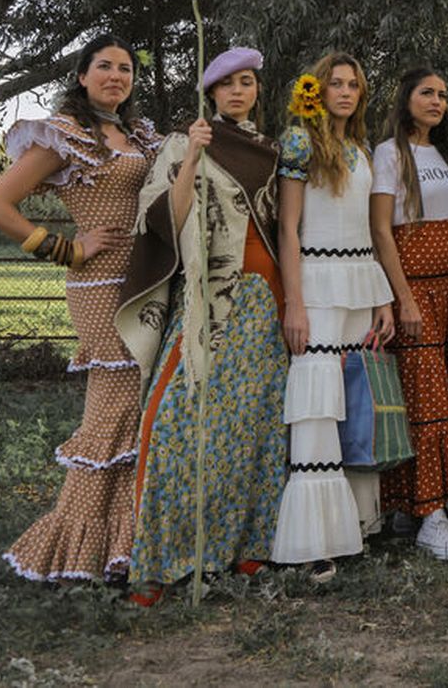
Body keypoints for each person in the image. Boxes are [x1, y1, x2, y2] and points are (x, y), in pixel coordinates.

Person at [0, 34, 163, 583]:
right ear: (82, 76)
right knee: (111, 412)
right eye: (104, 67)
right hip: (102, 282)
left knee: (139, 410)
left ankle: (124, 544)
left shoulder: (136, 135)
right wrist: (66, 248)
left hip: (148, 281)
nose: (116, 76)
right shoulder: (64, 133)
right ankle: (73, 544)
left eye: (125, 68)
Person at [118, 47, 287, 596]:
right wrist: (192, 155)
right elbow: (167, 218)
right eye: (227, 84)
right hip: (211, 300)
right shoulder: (185, 141)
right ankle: (159, 561)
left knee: (253, 426)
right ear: (210, 92)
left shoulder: (270, 150)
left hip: (264, 301)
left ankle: (243, 549)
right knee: (172, 423)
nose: (239, 91)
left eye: (247, 82)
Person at [270, 53, 396, 577]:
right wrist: (294, 304)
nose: (345, 92)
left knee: (355, 396)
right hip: (317, 285)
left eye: (354, 85)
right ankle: (314, 542)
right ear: (316, 91)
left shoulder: (362, 148)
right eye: (335, 84)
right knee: (317, 402)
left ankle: (359, 526)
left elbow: (369, 228)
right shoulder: (299, 142)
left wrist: (385, 297)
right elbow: (288, 229)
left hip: (361, 282)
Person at [369, 68, 448, 560]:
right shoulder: (389, 153)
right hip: (414, 286)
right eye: (427, 93)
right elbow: (382, 231)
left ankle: (410, 505)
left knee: (440, 396)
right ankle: (431, 517)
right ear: (405, 100)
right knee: (425, 405)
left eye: (443, 96)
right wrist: (403, 297)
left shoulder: (445, 154)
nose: (437, 102)